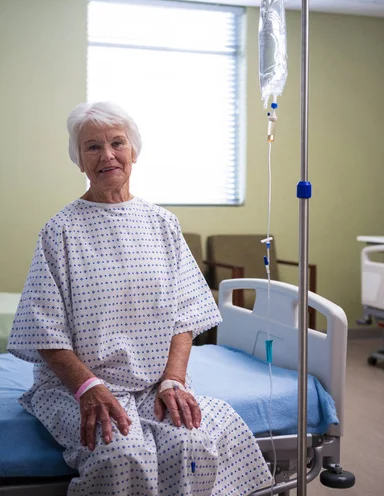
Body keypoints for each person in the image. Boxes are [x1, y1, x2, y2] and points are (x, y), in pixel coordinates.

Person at [8, 101, 272, 496]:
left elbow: (186, 316)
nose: (108, 155)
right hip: (76, 387)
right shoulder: (59, 232)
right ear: (79, 160)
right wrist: (87, 388)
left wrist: (173, 381)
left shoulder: (162, 224)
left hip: (154, 383)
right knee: (120, 454)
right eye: (92, 147)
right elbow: (44, 331)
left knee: (192, 444)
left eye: (118, 143)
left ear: (134, 151)